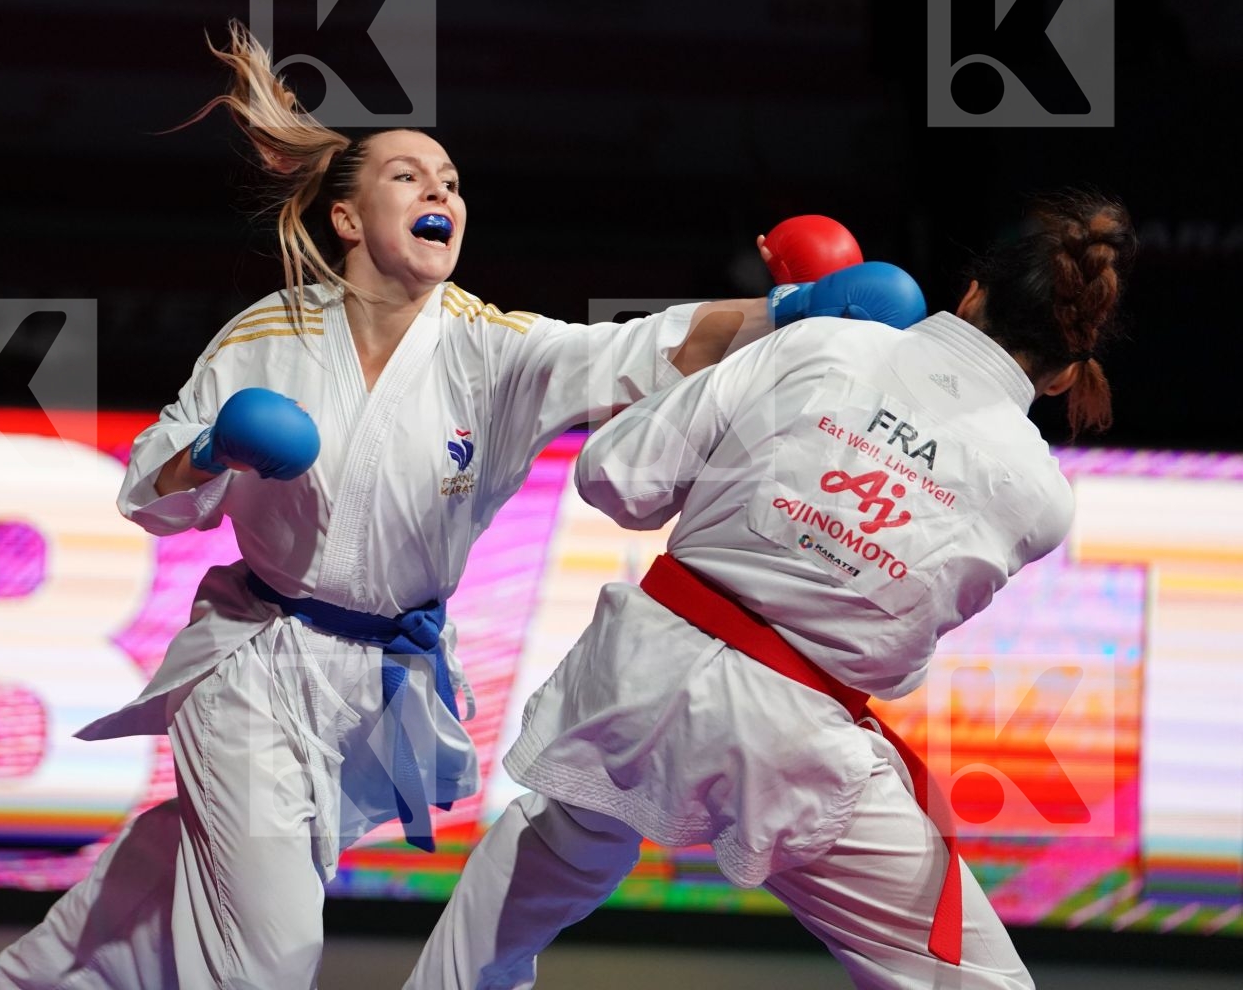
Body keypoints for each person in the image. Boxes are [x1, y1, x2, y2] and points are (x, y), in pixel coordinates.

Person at [0, 21, 925, 990]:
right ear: (346, 219)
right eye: (411, 178)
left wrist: (791, 313)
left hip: (380, 688)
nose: (442, 194)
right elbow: (147, 494)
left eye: (453, 183)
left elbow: (640, 347)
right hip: (255, 667)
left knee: (163, 903)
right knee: (265, 959)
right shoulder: (264, 338)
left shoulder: (488, 351)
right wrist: (210, 451)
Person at [406, 190, 1136, 989]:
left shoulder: (823, 344)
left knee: (549, 855)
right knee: (971, 978)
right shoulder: (1038, 495)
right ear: (1067, 374)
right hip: (791, 738)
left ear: (970, 294)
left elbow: (613, 477)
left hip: (637, 680)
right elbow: (893, 663)